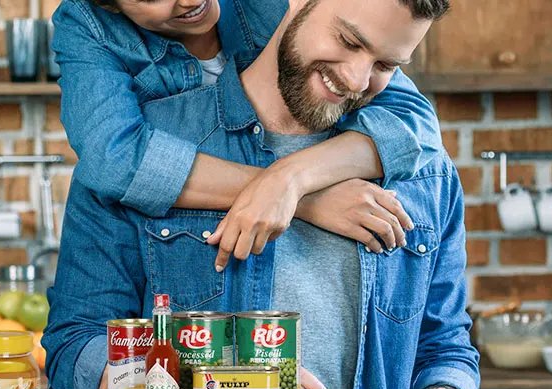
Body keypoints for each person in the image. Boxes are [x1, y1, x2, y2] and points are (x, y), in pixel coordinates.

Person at [45, 0, 484, 389]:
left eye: (385, 64)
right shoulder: (147, 158)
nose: (358, 80)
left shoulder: (425, 175)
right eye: (348, 41)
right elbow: (73, 349)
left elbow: (443, 343)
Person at [53, 0, 446, 266]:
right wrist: (307, 201)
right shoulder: (86, 25)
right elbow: (115, 159)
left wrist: (293, 179)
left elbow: (415, 124)